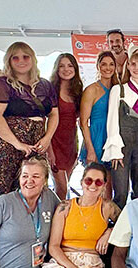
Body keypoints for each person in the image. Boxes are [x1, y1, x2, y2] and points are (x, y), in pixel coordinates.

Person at [0, 41, 59, 210]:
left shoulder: (45, 85)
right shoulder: (0, 84)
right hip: (0, 146)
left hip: (33, 144)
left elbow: (54, 114)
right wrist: (17, 143)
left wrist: (47, 138)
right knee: (0, 194)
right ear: (9, 61)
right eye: (15, 58)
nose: (21, 61)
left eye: (25, 57)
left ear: (33, 59)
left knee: (31, 190)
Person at [103, 44, 138, 209]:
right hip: (122, 144)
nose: (136, 68)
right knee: (120, 192)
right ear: (127, 66)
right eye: (133, 64)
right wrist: (115, 150)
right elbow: (112, 120)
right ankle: (117, 224)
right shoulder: (118, 90)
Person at [80, 51, 118, 202]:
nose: (107, 68)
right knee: (95, 184)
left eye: (111, 64)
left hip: (113, 139)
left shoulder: (118, 89)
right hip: (96, 139)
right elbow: (83, 122)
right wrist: (90, 148)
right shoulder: (91, 90)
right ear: (98, 66)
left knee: (110, 187)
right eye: (104, 64)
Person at [49, 53, 83, 200]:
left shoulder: (77, 91)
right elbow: (45, 122)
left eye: (70, 65)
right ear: (56, 69)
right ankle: (58, 214)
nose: (66, 69)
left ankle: (61, 213)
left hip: (70, 143)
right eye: (62, 66)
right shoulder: (50, 90)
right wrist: (49, 150)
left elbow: (80, 119)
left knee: (65, 186)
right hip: (54, 142)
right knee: (61, 188)